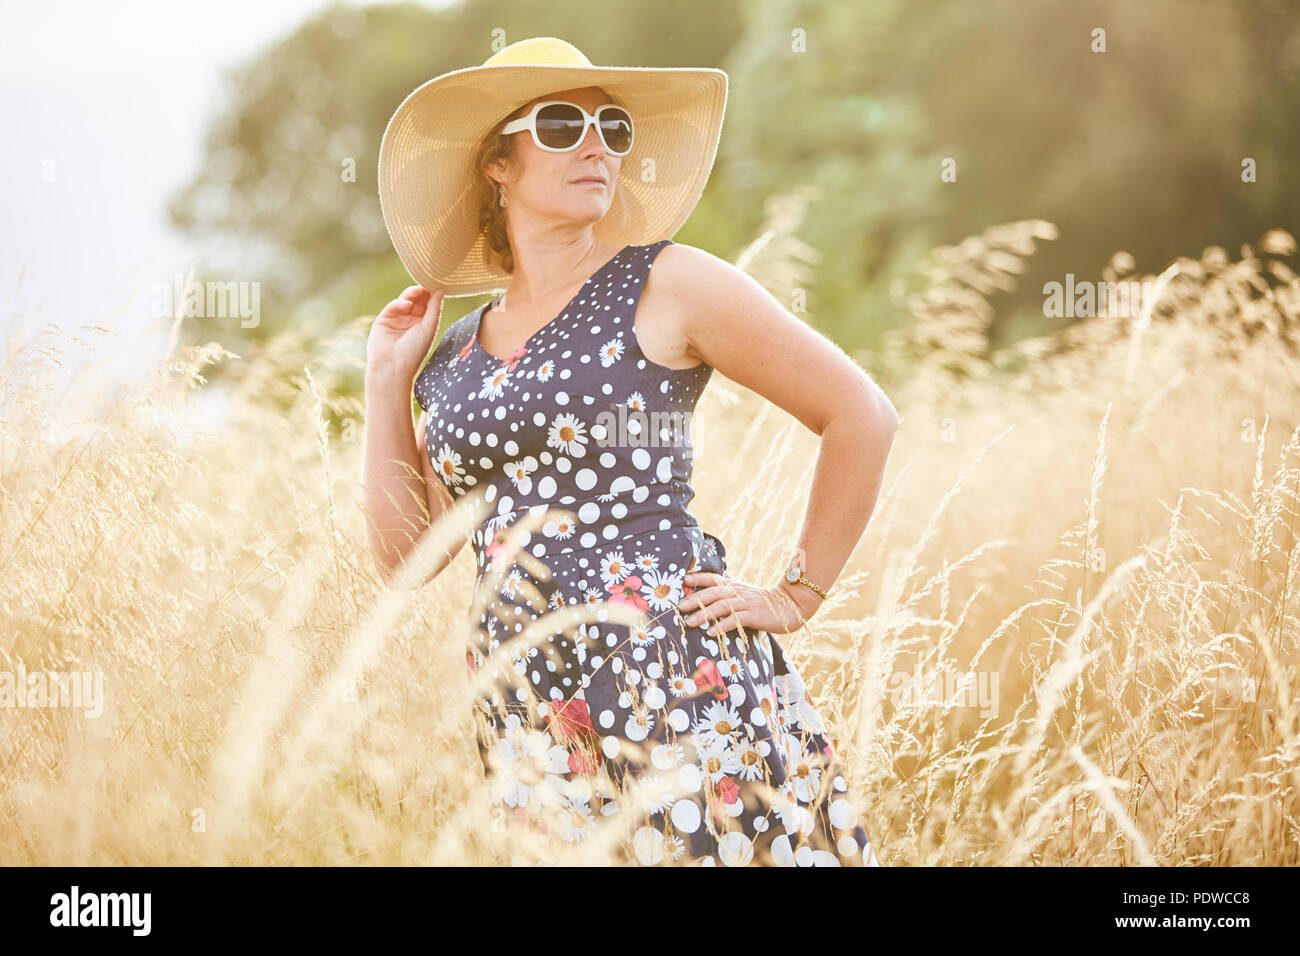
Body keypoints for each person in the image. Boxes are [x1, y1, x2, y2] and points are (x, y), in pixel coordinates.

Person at [363, 37, 898, 866]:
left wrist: (798, 594)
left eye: (613, 128)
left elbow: (860, 412)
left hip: (670, 672)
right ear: (497, 163)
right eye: (563, 123)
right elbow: (405, 555)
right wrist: (385, 382)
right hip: (526, 704)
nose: (596, 144)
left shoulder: (667, 282)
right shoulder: (458, 357)